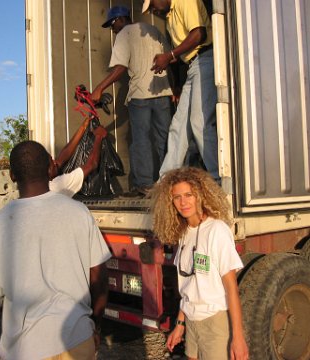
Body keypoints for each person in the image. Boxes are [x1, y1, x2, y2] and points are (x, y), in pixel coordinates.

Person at [0, 140, 112, 360]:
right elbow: (99, 278)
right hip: (78, 341)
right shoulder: (79, 212)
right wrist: (95, 327)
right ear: (51, 168)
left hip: (25, 350)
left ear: (12, 176)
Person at [151, 167, 248, 359]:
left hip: (215, 321)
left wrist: (238, 337)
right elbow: (190, 285)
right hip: (192, 321)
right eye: (177, 197)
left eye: (188, 194)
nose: (183, 202)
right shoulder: (185, 233)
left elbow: (231, 288)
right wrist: (180, 325)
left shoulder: (217, 230)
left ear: (200, 195)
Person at [91, 5, 173, 195]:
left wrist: (99, 88)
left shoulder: (123, 35)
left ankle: (144, 184)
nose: (113, 29)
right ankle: (170, 181)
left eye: (112, 24)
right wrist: (173, 87)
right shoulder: (153, 30)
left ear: (120, 19)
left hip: (140, 96)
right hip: (162, 93)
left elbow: (120, 68)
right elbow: (169, 59)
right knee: (166, 138)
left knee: (141, 140)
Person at [142, 0, 219, 182]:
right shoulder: (169, 17)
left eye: (152, 5)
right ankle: (166, 179)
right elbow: (182, 52)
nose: (153, 11)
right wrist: (175, 79)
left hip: (206, 60)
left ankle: (219, 178)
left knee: (199, 122)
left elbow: (199, 34)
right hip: (193, 67)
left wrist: (169, 56)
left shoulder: (185, 1)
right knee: (178, 125)